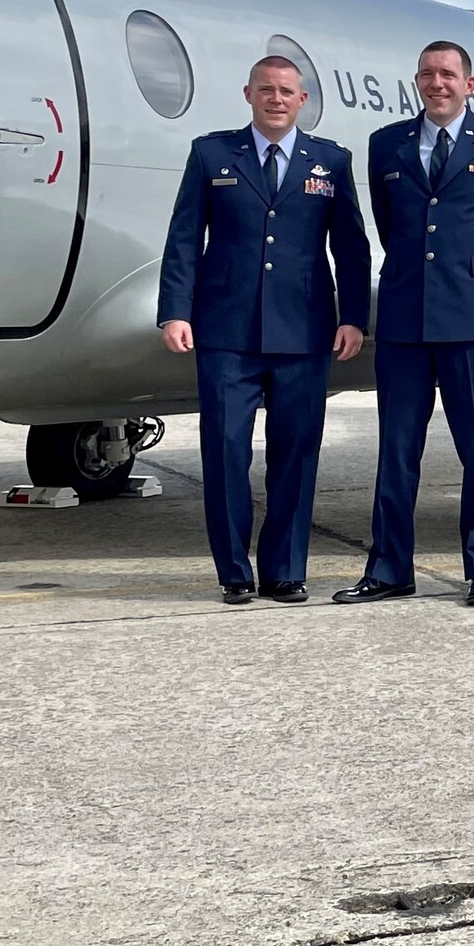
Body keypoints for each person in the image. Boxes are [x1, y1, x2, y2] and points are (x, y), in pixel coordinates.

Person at [158, 55, 370, 604]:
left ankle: (284, 569)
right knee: (225, 450)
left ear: (302, 101)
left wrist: (353, 317)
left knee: (296, 453)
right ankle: (233, 571)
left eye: (287, 92)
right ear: (248, 94)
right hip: (226, 329)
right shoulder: (211, 153)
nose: (277, 99)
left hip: (304, 330)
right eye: (267, 90)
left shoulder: (331, 161)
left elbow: (350, 246)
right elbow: (184, 237)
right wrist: (174, 310)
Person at [333, 41, 474, 610]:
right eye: (427, 74)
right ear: (417, 82)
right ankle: (390, 567)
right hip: (405, 319)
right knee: (396, 450)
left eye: (448, 74)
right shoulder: (387, 144)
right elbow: (392, 223)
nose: (437, 83)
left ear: (469, 84)